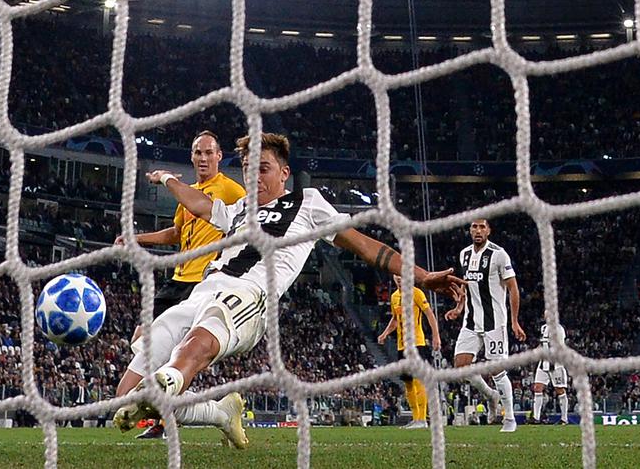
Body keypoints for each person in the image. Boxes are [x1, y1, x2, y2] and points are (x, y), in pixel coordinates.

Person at [113, 133, 464, 448]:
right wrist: (168, 178)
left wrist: (421, 275)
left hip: (249, 297)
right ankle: (219, 414)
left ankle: (169, 383)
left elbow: (365, 245)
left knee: (194, 347)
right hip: (201, 294)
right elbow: (198, 204)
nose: (254, 177)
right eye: (249, 169)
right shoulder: (237, 210)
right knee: (125, 394)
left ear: (284, 173)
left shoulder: (308, 203)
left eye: (263, 169)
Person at [114, 130, 245, 439]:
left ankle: (166, 422)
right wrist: (137, 238)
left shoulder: (230, 190)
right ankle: (202, 412)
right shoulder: (188, 194)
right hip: (177, 280)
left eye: (208, 152)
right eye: (197, 152)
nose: (202, 157)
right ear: (192, 157)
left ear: (219, 156)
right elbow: (175, 234)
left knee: (173, 357)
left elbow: (252, 220)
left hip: (203, 283)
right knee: (139, 341)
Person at [444, 219, 526, 433]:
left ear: (489, 230)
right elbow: (467, 288)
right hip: (470, 322)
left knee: (497, 371)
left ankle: (510, 419)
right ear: (470, 230)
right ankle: (491, 395)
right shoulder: (464, 254)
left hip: (494, 323)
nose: (478, 230)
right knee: (460, 366)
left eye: (482, 227)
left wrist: (514, 321)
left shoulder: (499, 254)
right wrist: (459, 308)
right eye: (474, 227)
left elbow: (513, 289)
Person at [377, 274, 442, 429]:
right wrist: (385, 333)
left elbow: (429, 314)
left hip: (416, 343)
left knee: (418, 380)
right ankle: (415, 418)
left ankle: (422, 419)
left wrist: (436, 336)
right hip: (402, 346)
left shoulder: (416, 293)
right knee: (407, 383)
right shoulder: (394, 297)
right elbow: (395, 319)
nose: (399, 278)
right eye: (396, 275)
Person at [532, 319, 570, 424]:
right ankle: (536, 418)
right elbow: (542, 344)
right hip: (543, 363)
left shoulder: (559, 329)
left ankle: (564, 419)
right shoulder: (543, 327)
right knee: (537, 388)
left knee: (560, 390)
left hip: (556, 364)